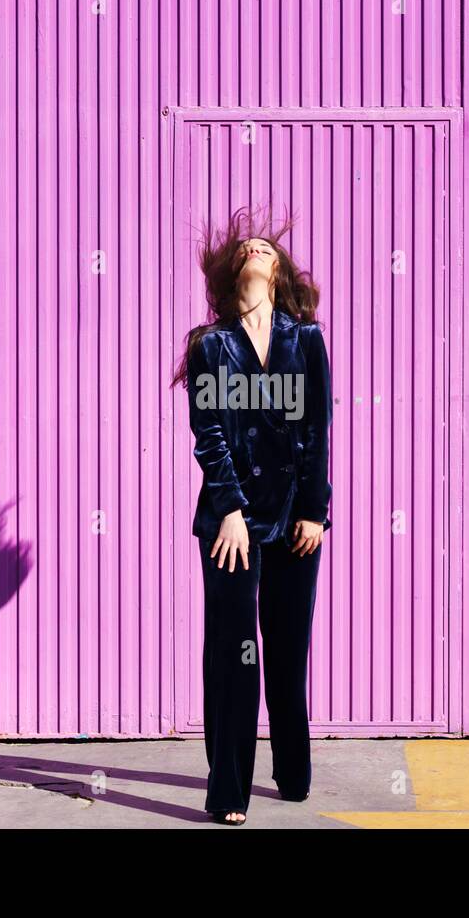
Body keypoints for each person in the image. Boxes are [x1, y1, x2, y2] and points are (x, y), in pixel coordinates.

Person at [171, 205, 332, 826]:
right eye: (248, 247)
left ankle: (293, 770)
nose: (258, 249)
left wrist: (315, 511)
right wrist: (231, 510)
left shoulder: (306, 339)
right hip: (231, 522)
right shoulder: (211, 345)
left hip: (295, 518)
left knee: (288, 649)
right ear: (231, 270)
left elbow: (317, 432)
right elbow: (208, 435)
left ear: (280, 270)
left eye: (269, 247)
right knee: (234, 652)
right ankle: (229, 789)